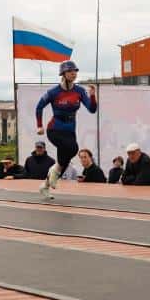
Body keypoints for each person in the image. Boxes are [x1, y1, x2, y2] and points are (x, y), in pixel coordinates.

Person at [35, 60, 97, 199]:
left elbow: (92, 109)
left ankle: (45, 186)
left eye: (75, 71)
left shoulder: (79, 91)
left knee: (66, 158)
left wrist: (92, 95)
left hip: (70, 130)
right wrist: (39, 125)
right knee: (72, 149)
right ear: (63, 73)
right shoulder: (53, 92)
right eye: (70, 71)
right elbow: (39, 107)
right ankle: (54, 173)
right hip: (54, 129)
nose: (74, 73)